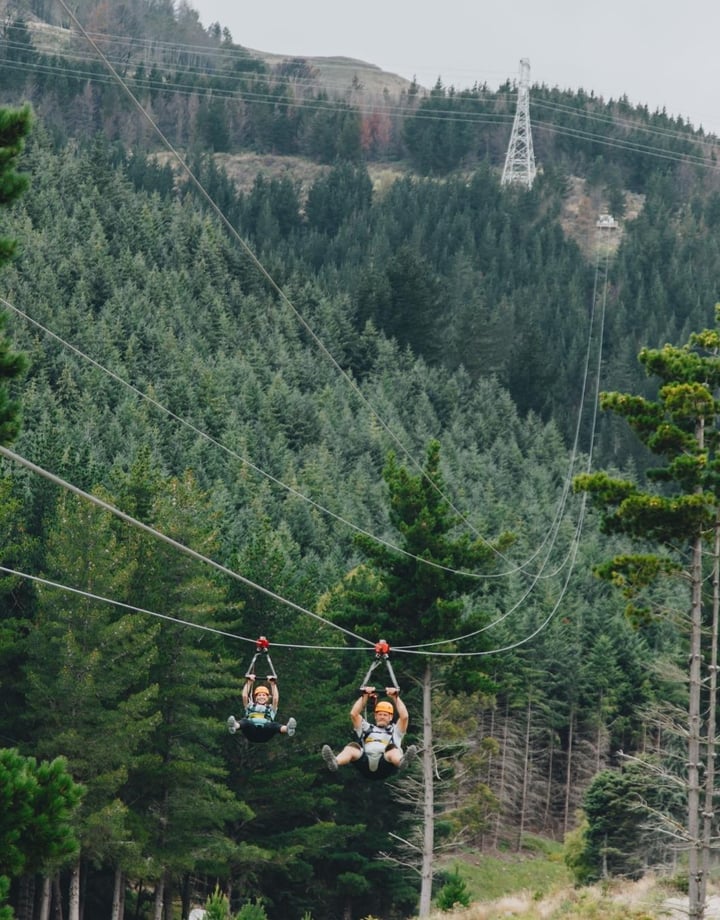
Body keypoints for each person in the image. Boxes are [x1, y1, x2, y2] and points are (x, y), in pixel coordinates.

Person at [321, 686, 417, 780]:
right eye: (379, 714)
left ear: (390, 717)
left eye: (385, 715)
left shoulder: (395, 730)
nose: (382, 717)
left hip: (385, 764)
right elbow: (354, 714)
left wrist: (395, 697)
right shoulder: (367, 728)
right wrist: (364, 696)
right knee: (352, 746)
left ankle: (402, 762)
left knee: (392, 749)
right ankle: (335, 762)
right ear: (375, 716)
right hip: (365, 763)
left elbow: (404, 717)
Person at [227, 675, 296, 743]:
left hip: (265, 733)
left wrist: (273, 684)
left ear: (268, 697)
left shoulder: (271, 708)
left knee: (273, 725)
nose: (261, 697)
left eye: (264, 695)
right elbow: (244, 696)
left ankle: (287, 729)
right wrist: (249, 682)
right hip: (251, 732)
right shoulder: (250, 706)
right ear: (255, 697)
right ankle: (234, 726)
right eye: (259, 695)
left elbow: (275, 698)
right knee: (246, 722)